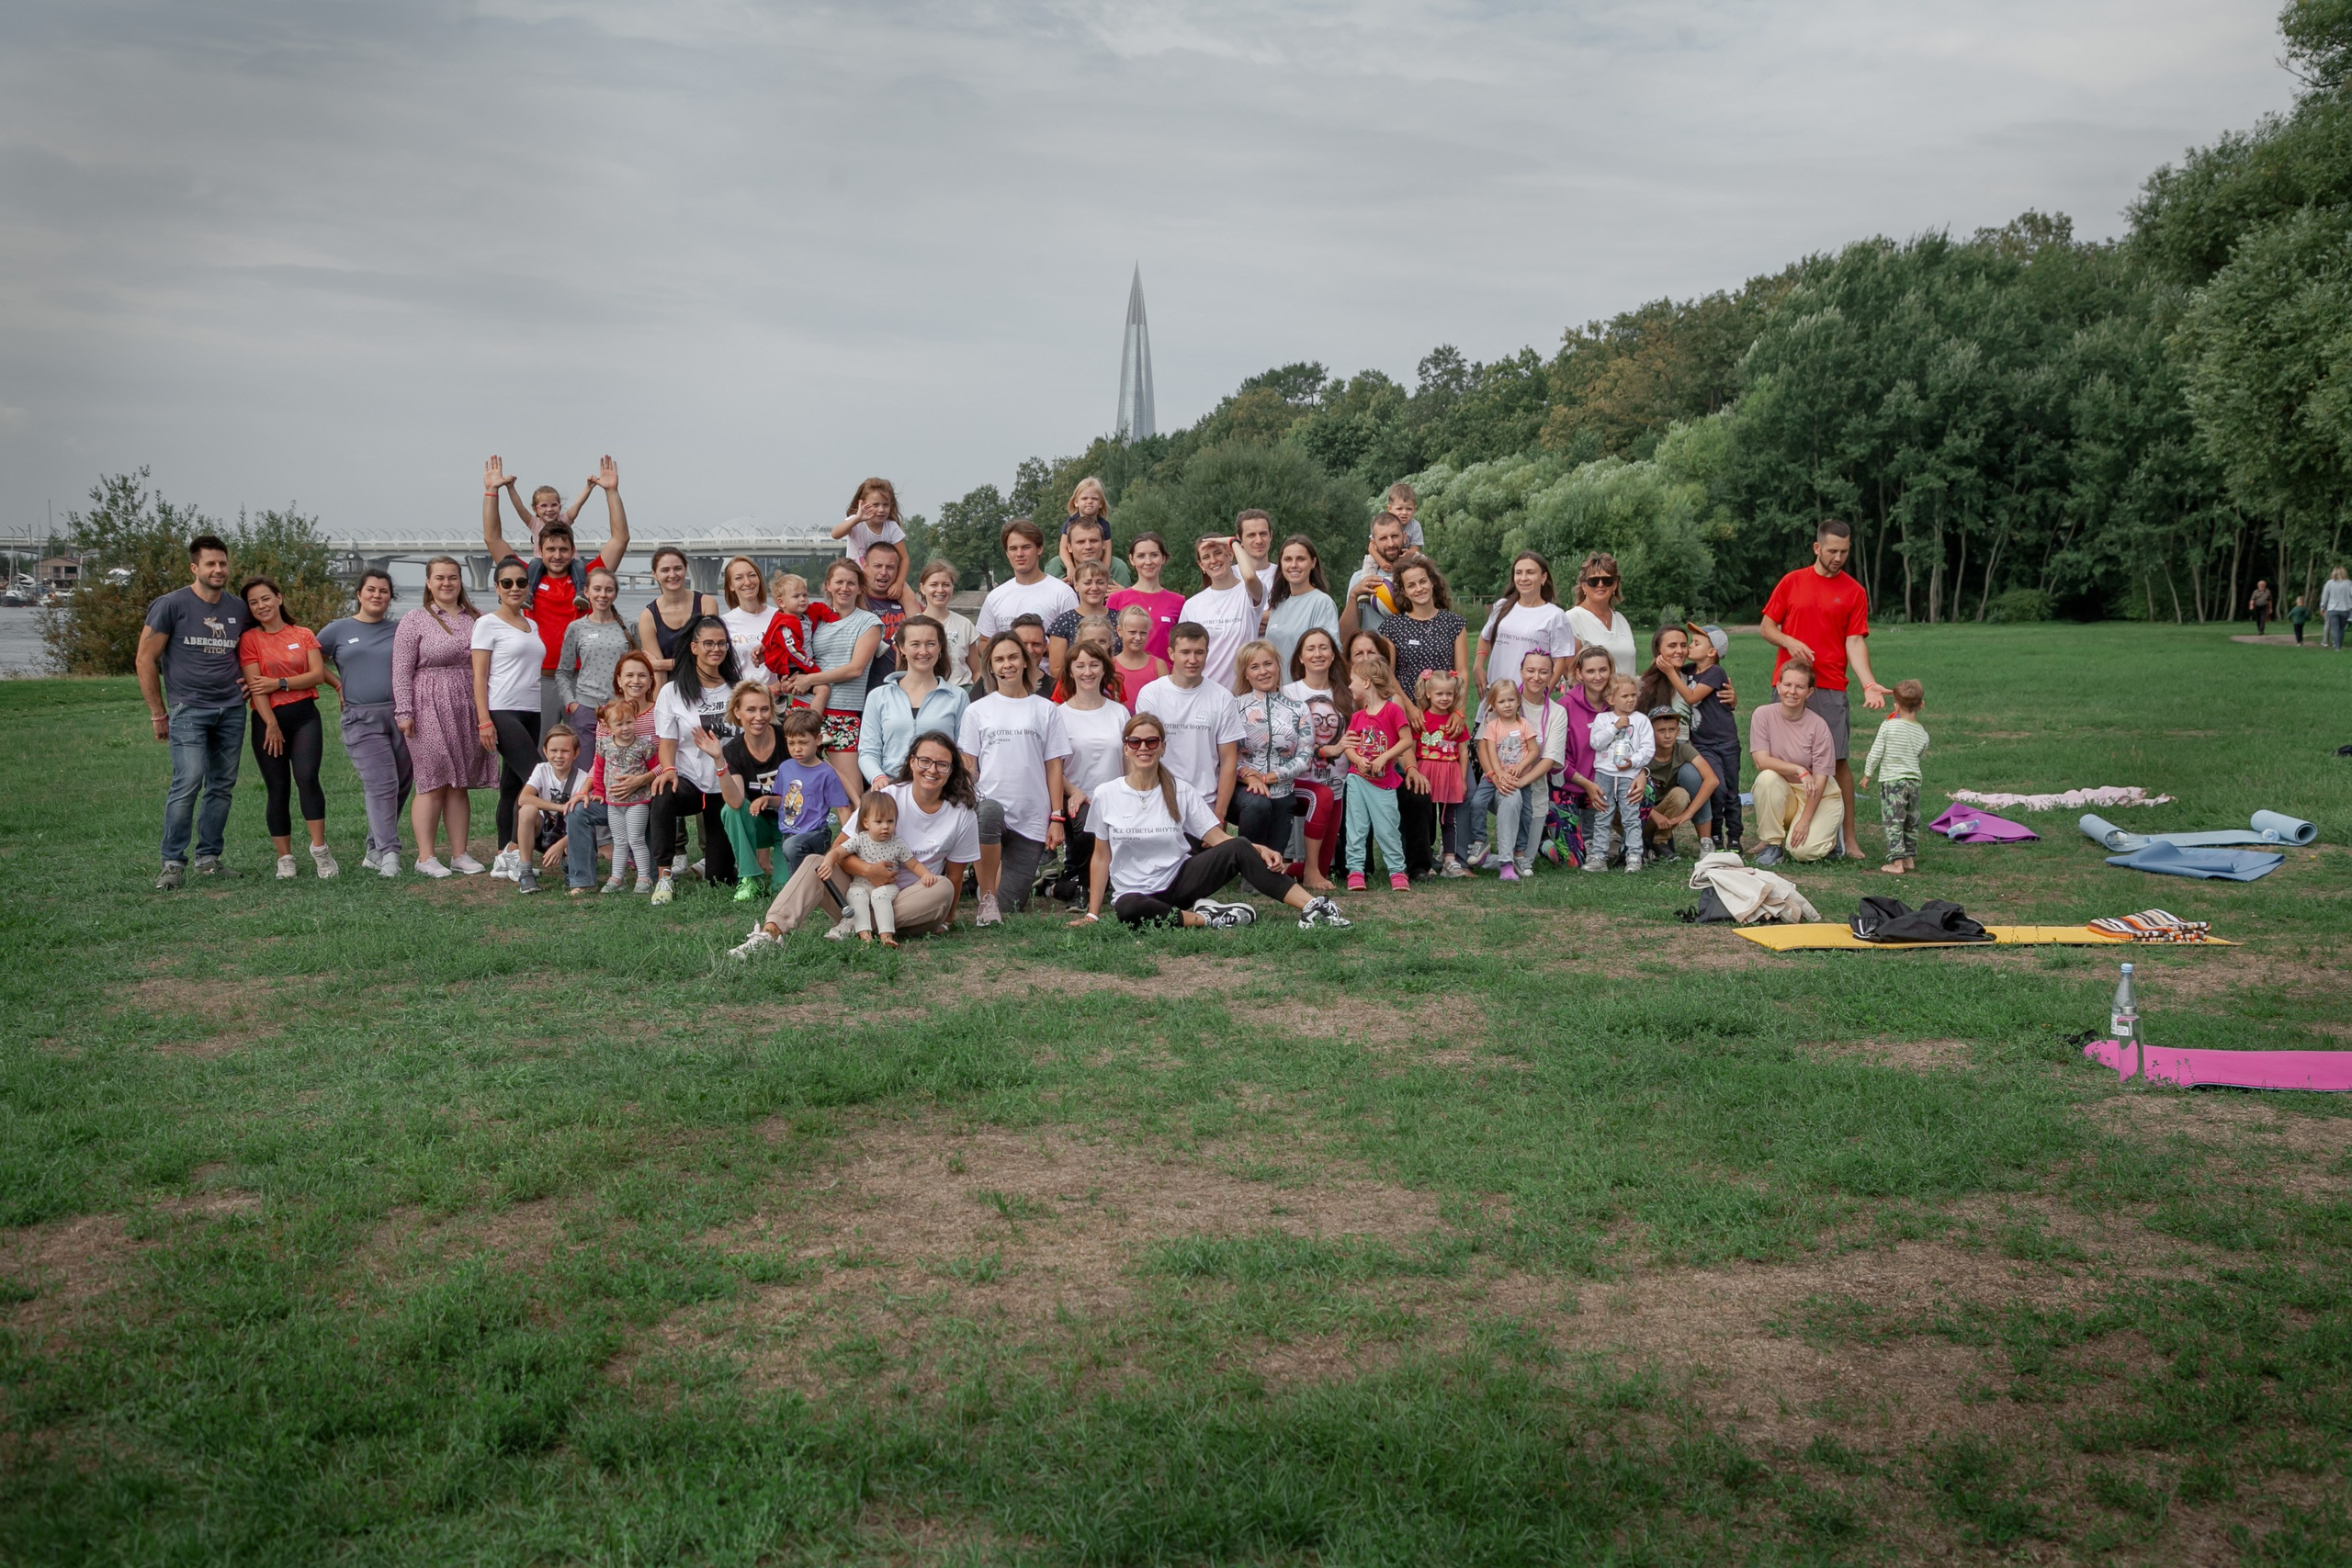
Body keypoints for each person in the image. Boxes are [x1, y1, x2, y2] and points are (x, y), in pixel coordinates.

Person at [1071, 713, 1351, 931]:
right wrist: (1093, 914)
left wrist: (1258, 849)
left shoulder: (1180, 790)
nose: (1143, 747)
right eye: (1135, 742)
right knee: (1127, 909)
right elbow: (1100, 857)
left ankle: (1314, 907)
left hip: (1179, 882)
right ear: (1126, 749)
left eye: (1151, 741)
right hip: (1135, 894)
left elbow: (1218, 839)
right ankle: (1209, 918)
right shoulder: (1107, 794)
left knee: (1240, 846)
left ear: (1163, 747)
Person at [731, 732, 978, 955]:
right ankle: (770, 933)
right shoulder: (887, 797)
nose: (932, 770)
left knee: (942, 886)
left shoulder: (961, 814)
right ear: (912, 762)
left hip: (913, 908)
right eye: (925, 761)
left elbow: (956, 877)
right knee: (815, 862)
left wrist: (947, 920)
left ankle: (859, 925)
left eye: (942, 764)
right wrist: (869, 871)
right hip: (857, 896)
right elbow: (839, 852)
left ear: (951, 770)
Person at [1759, 518, 1889, 861]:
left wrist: (1868, 683)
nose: (1838, 557)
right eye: (1832, 550)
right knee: (1781, 761)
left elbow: (1855, 640)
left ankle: (1848, 837)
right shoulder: (1792, 582)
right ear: (1817, 547)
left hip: (1830, 685)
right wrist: (1789, 640)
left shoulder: (1854, 592)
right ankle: (1776, 835)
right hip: (1788, 683)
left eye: (1844, 552)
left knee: (1837, 760)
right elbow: (1767, 626)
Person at [481, 454, 631, 733]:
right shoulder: (525, 578)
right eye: (550, 549)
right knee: (542, 754)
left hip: (584, 680)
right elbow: (493, 538)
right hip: (539, 680)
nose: (558, 555)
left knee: (588, 750)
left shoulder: (588, 579)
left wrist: (612, 492)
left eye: (564, 549)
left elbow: (620, 539)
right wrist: (492, 492)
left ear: (573, 551)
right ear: (540, 550)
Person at [140, 536, 252, 887]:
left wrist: (254, 680)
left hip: (232, 709)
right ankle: (172, 863)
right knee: (188, 781)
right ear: (195, 568)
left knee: (221, 786)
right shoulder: (171, 605)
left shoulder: (238, 608)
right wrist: (159, 712)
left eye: (222, 563)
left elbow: (252, 651)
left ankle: (209, 858)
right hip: (189, 709)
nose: (218, 569)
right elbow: (145, 658)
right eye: (210, 564)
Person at [958, 631, 1071, 925]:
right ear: (991, 667)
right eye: (999, 659)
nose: (1006, 664)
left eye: (1012, 657)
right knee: (990, 810)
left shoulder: (1046, 709)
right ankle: (986, 897)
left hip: (1031, 816)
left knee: (1011, 904)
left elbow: (1054, 766)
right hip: (990, 808)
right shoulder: (977, 710)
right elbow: (968, 766)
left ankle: (998, 892)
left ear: (1024, 661)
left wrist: (1056, 817)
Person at [394, 556, 496, 877]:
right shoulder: (414, 619)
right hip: (428, 703)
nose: (446, 583)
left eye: (452, 577)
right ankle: (425, 856)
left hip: (467, 702)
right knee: (432, 779)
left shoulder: (477, 618)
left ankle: (459, 854)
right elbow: (401, 670)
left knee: (459, 781)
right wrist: (404, 711)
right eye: (439, 578)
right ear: (428, 582)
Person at [706, 688, 850, 900]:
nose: (759, 716)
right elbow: (739, 801)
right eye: (751, 709)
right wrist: (720, 761)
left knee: (781, 888)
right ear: (737, 712)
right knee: (730, 810)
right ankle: (749, 878)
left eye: (765, 709)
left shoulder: (789, 735)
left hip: (799, 832)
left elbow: (827, 772)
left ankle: (797, 875)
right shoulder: (738, 752)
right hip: (770, 823)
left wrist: (847, 837)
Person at [236, 576, 335, 880]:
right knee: (277, 789)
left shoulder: (303, 634)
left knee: (307, 778)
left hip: (305, 716)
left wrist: (280, 682)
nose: (261, 606)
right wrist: (271, 724)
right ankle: (285, 858)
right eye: (253, 602)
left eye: (265, 598)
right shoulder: (250, 639)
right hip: (268, 722)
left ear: (279, 598)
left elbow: (317, 674)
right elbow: (256, 686)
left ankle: (320, 850)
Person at [321, 570, 413, 877]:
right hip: (361, 718)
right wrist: (336, 684)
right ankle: (389, 854)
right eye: (370, 590)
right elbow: (309, 660)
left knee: (400, 784)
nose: (377, 595)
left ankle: (374, 848)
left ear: (390, 597)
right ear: (359, 594)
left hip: (401, 717)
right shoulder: (338, 630)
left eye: (384, 591)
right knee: (380, 784)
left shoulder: (400, 630)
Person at [648, 615, 743, 903]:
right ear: (694, 647)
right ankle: (664, 876)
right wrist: (669, 769)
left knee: (721, 881)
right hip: (690, 780)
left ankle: (718, 865)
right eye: (709, 643)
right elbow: (668, 741)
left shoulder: (737, 688)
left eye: (722, 643)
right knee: (663, 793)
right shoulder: (672, 692)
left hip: (725, 785)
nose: (716, 649)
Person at [470, 559, 547, 883]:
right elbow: (478, 675)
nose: (515, 588)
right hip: (502, 711)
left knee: (512, 786)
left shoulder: (532, 625)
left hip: (531, 710)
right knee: (537, 776)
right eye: (507, 583)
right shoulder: (487, 624)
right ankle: (516, 850)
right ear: (497, 588)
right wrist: (484, 720)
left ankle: (504, 854)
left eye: (520, 582)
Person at [786, 558, 884, 801]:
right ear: (828, 585)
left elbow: (855, 669)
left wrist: (811, 679)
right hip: (805, 707)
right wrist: (762, 650)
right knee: (799, 785)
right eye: (838, 582)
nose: (844, 588)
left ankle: (856, 837)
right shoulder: (812, 616)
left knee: (852, 791)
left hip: (844, 712)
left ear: (860, 588)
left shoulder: (869, 622)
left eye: (851, 583)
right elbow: (786, 637)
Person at [1465, 650, 1570, 872]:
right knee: (1510, 798)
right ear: (1521, 672)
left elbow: (1549, 759)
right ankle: (1499, 857)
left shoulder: (1557, 712)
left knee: (1526, 859)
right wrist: (1495, 776)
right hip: (1497, 783)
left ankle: (1496, 859)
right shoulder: (1504, 698)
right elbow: (1483, 745)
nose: (1536, 677)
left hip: (1532, 789)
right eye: (1530, 670)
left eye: (1544, 672)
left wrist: (1520, 781)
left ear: (1553, 675)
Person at [1045, 638, 1132, 906]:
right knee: (1088, 826)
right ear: (1070, 671)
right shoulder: (1058, 714)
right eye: (1080, 665)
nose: (1087, 672)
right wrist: (1074, 792)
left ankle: (1074, 883)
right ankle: (1080, 882)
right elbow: (1052, 765)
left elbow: (1128, 763)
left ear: (1104, 669)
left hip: (1114, 797)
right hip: (1074, 798)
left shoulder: (1119, 713)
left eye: (1094, 665)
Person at [1135, 623, 1245, 822]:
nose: (1192, 660)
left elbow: (1228, 760)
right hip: (1159, 800)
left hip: (1205, 803)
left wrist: (1219, 814)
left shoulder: (1222, 697)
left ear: (1207, 653)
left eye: (1199, 652)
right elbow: (1144, 753)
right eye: (1185, 652)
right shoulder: (1151, 694)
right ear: (1171, 653)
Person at [859, 615, 970, 790]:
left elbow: (963, 751)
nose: (923, 651)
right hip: (891, 788)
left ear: (940, 647)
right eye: (915, 644)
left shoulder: (958, 697)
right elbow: (868, 750)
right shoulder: (879, 696)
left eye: (930, 644)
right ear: (902, 648)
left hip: (939, 790)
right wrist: (878, 778)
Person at [1748, 660, 1841, 866]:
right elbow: (1761, 761)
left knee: (1802, 853)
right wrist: (1799, 769)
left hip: (1818, 794)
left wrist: (1805, 821)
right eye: (1787, 685)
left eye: (1799, 687)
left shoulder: (1819, 726)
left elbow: (1820, 781)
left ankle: (1832, 837)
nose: (1792, 692)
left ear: (1809, 692)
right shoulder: (1762, 715)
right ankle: (1773, 844)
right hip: (1784, 791)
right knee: (1767, 778)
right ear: (1778, 686)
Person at [817, 792, 933, 946]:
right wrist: (828, 862)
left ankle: (887, 937)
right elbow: (837, 851)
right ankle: (865, 937)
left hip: (887, 887)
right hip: (861, 884)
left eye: (890, 821)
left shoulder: (897, 843)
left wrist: (925, 874)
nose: (885, 826)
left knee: (880, 896)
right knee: (855, 895)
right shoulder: (860, 839)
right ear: (866, 822)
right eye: (879, 822)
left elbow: (914, 864)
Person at [1231, 639, 1312, 857]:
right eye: (1254, 667)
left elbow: (1305, 756)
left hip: (1283, 790)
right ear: (1246, 674)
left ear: (1278, 666)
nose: (1263, 672)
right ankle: (1246, 867)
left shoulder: (1298, 708)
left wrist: (1269, 778)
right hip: (1244, 790)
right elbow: (1225, 755)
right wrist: (1249, 777)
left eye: (1268, 664)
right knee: (1258, 804)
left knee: (1272, 865)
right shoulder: (1234, 707)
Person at [1341, 653, 1415, 892]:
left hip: (1383, 783)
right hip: (1357, 779)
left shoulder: (1393, 710)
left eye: (1352, 680)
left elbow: (1406, 740)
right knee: (1356, 827)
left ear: (1366, 682)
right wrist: (1358, 760)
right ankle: (1355, 870)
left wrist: (1384, 757)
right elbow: (1349, 747)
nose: (1349, 685)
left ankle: (1397, 871)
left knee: (1387, 828)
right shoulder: (1357, 717)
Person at [1283, 626, 1348, 892]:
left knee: (1322, 868)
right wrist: (1322, 752)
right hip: (1299, 785)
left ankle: (1274, 867)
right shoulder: (1288, 693)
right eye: (1310, 648)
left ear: (1333, 655)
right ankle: (1273, 864)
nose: (1318, 654)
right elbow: (1283, 746)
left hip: (1337, 785)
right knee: (1310, 862)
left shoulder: (1347, 693)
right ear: (1300, 657)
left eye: (1324, 648)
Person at [972, 519, 1079, 680]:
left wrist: (1038, 651)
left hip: (1051, 685)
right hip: (1006, 685)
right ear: (1007, 553)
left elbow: (1077, 645)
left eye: (1026, 547)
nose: (1019, 554)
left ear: (1039, 549)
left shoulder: (1062, 593)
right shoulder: (996, 596)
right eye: (1013, 549)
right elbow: (984, 642)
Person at [594, 652, 662, 893]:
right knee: (619, 841)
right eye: (629, 675)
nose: (625, 728)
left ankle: (644, 877)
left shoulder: (645, 743)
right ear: (619, 679)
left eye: (642, 675)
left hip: (639, 798)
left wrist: (644, 781)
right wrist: (594, 791)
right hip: (613, 800)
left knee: (635, 839)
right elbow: (599, 766)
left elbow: (659, 764)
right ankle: (616, 878)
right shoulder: (606, 738)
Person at [553, 566, 639, 743]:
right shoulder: (576, 628)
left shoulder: (630, 626)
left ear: (615, 594)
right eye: (597, 589)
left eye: (609, 590)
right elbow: (563, 671)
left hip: (623, 710)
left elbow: (643, 667)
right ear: (586, 592)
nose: (603, 595)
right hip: (586, 710)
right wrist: (571, 704)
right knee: (585, 769)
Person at [1471, 552, 1574, 702]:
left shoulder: (1555, 615)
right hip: (1495, 698)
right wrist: (1478, 666)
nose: (1523, 578)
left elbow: (1560, 661)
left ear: (1543, 578)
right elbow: (1485, 638)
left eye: (1530, 572)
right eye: (1518, 573)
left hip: (1527, 701)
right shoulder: (1502, 606)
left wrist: (1542, 695)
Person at [1679, 626, 1742, 851]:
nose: (1689, 646)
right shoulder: (1690, 670)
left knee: (1732, 791)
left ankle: (1734, 836)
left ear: (1712, 652)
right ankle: (1715, 834)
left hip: (1726, 742)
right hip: (1703, 744)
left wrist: (1670, 674)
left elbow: (1692, 696)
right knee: (1717, 788)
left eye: (1696, 643)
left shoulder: (1715, 672)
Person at [1585, 675, 1655, 874]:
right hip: (1605, 774)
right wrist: (1614, 727)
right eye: (1625, 696)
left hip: (1629, 776)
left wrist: (1633, 762)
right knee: (1603, 814)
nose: (1631, 700)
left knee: (1631, 816)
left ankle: (1634, 854)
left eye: (1634, 695)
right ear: (1611, 699)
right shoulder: (1603, 719)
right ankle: (1599, 855)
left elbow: (1648, 748)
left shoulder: (1641, 721)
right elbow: (1596, 743)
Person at [1860, 679, 1929, 876]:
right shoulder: (1923, 733)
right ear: (1921, 705)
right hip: (1913, 782)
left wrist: (1867, 774)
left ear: (1896, 705)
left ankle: (1897, 863)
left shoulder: (1888, 726)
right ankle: (1909, 858)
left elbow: (1876, 752)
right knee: (1911, 819)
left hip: (1892, 782)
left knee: (1894, 821)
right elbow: (1920, 752)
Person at [1403, 671, 1469, 877]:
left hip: (1450, 772)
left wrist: (1463, 778)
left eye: (1449, 694)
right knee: (1427, 817)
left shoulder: (1456, 721)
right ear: (1429, 694)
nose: (1444, 698)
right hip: (1426, 773)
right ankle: (1426, 858)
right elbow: (1411, 748)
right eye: (1439, 694)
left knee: (1449, 817)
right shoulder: (1420, 719)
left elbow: (1463, 750)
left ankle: (1450, 859)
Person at [1477, 680, 1545, 883]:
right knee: (1476, 802)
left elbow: (1535, 750)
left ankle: (1519, 854)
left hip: (1520, 779)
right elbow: (1489, 753)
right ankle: (1479, 842)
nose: (1507, 705)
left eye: (1511, 700)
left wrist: (1520, 767)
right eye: (1502, 701)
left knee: (1526, 813)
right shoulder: (1492, 725)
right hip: (1497, 778)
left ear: (1518, 702)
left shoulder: (1524, 725)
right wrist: (1497, 775)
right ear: (1493, 705)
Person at [511, 724, 590, 895]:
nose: (559, 756)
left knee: (577, 823)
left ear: (576, 753)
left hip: (571, 836)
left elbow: (586, 824)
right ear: (545, 751)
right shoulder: (542, 769)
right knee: (527, 810)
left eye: (565, 751)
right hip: (544, 831)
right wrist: (560, 807)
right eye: (553, 751)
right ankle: (526, 872)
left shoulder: (583, 779)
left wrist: (561, 845)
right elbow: (524, 798)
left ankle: (573, 868)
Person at [1636, 707, 1718, 865]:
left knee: (1689, 777)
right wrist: (1653, 814)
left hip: (1667, 815)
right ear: (1649, 732)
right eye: (1661, 731)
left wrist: (1689, 813)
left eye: (1672, 730)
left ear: (1678, 731)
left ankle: (1662, 842)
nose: (1668, 735)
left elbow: (1712, 780)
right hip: (1639, 814)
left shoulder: (1683, 749)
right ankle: (1636, 842)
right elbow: (1625, 789)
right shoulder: (1642, 753)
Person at [1182, 531, 1261, 690]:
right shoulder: (1192, 605)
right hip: (1205, 692)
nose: (1213, 560)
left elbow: (1250, 576)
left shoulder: (1248, 592)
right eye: (1206, 557)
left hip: (1244, 693)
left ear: (1230, 555)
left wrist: (1233, 541)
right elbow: (1184, 653)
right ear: (1201, 565)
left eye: (1218, 553)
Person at [637, 546, 723, 684]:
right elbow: (658, 673)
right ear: (655, 574)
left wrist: (660, 664)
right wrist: (657, 705)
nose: (672, 575)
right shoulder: (648, 617)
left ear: (685, 569)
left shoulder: (706, 604)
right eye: (665, 570)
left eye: (677, 568)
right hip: (671, 689)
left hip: (705, 685)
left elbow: (708, 657)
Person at [1386, 556, 1467, 697]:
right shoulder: (1392, 627)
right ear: (1404, 592)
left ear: (1432, 583)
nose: (1419, 589)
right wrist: (1410, 710)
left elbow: (1462, 672)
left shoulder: (1454, 623)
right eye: (1411, 585)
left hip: (1444, 707)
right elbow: (1389, 674)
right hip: (1407, 709)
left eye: (1423, 581)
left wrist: (1459, 710)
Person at [1261, 535, 1340, 673]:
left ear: (1313, 563)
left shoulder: (1322, 602)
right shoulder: (1278, 605)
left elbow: (1327, 653)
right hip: (1277, 692)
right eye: (1288, 559)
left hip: (1305, 692)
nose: (1293, 565)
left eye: (1301, 559)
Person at [757, 572, 832, 712]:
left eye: (805, 595)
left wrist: (834, 619)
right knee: (823, 689)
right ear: (781, 602)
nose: (803, 599)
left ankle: (779, 688)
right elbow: (794, 651)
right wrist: (813, 670)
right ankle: (814, 721)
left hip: (803, 664)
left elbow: (819, 608)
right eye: (796, 596)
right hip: (795, 667)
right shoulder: (785, 626)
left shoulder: (804, 616)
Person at [1108, 532, 1186, 664]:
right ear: (1132, 560)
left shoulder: (1179, 602)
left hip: (1166, 677)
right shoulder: (1116, 599)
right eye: (1141, 556)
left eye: (1154, 555)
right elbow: (1108, 642)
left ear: (1163, 558)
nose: (1148, 562)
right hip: (1125, 678)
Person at [1563, 552, 1636, 681]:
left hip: (1626, 698)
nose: (1601, 585)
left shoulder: (1621, 619)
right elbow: (1570, 673)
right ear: (1584, 586)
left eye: (1607, 580)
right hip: (1591, 700)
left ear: (1614, 585)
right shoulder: (1572, 619)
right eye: (1594, 581)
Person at [1340, 512, 1410, 646]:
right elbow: (1345, 638)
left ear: (1404, 537)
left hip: (1412, 658)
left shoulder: (1418, 576)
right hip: (1374, 659)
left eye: (1395, 536)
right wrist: (1354, 596)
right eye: (1383, 538)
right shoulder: (1361, 578)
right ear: (1374, 543)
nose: (1390, 543)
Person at [1046, 558, 1116, 690]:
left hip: (1115, 687)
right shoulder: (1063, 622)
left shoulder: (1119, 619)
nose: (1094, 588)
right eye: (1087, 583)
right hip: (1075, 690)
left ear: (1107, 585)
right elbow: (1056, 669)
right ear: (1077, 585)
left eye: (1100, 582)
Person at [832, 477, 910, 579]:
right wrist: (857, 519)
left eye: (885, 505)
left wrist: (899, 583)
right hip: (856, 577)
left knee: (908, 594)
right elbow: (835, 534)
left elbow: (904, 559)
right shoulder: (855, 522)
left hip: (882, 577)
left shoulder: (891, 527)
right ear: (862, 504)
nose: (881, 510)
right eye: (875, 505)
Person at [718, 557, 778, 686]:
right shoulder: (723, 623)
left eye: (752, 575)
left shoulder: (779, 616)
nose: (747, 582)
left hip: (777, 699)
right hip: (739, 698)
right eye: (739, 578)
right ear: (731, 586)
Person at [858, 539, 912, 681]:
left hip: (900, 686)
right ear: (865, 566)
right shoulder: (855, 601)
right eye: (877, 566)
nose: (883, 572)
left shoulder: (908, 603)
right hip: (861, 690)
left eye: (890, 567)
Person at [914, 559, 978, 680]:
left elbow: (976, 671)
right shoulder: (911, 627)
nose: (940, 590)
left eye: (946, 584)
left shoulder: (965, 625)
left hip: (962, 692)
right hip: (926, 694)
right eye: (934, 584)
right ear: (922, 588)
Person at [1048, 510, 1133, 587]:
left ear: (1103, 544)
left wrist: (1124, 595)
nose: (1088, 547)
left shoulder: (1117, 567)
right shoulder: (1057, 566)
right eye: (1081, 542)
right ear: (1069, 547)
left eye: (1093, 541)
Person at [1053, 476, 1114, 581]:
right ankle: (1055, 587)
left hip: (1096, 559)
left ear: (1101, 504)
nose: (1089, 501)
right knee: (1055, 562)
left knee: (1117, 564)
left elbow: (1107, 550)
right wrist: (1070, 566)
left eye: (1094, 499)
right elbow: (1063, 548)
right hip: (1074, 559)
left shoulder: (1104, 525)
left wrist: (1104, 570)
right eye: (1084, 498)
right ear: (1076, 502)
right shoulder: (1070, 522)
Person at [1112, 604, 1168, 691]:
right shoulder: (1110, 665)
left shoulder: (1158, 665)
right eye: (1132, 632)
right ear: (1120, 631)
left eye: (1143, 633)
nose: (1138, 638)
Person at [1233, 509, 1277, 597]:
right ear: (1239, 539)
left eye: (1263, 534)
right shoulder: (1230, 576)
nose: (1259, 541)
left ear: (1271, 535)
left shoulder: (1283, 575)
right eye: (1251, 535)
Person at [1385, 481, 1426, 550]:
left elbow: (1415, 547)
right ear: (1390, 509)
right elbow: (1372, 547)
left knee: (1423, 558)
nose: (1404, 513)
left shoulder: (1415, 526)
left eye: (1409, 509)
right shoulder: (1383, 524)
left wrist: (1407, 555)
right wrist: (1383, 561)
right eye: (1399, 509)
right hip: (1384, 556)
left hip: (1407, 556)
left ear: (1414, 509)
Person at [2322, 566, 2352, 650]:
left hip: (2332, 608)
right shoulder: (2349, 583)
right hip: (2345, 609)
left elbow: (2325, 596)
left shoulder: (2329, 583)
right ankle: (2339, 645)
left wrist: (2323, 606)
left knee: (2335, 628)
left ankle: (2337, 647)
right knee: (2341, 628)